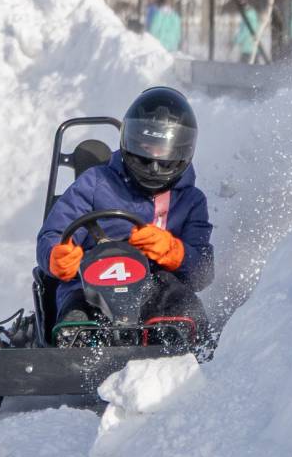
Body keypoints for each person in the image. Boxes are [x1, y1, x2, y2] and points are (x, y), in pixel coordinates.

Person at [36, 86, 214, 348]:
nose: (154, 164)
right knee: (77, 316)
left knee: (183, 310)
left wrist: (173, 252)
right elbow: (51, 235)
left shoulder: (190, 200)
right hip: (88, 286)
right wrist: (56, 256)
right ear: (129, 140)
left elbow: (203, 273)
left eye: (163, 154)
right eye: (146, 148)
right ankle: (81, 346)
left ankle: (173, 344)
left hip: (156, 289)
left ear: (183, 150)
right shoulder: (95, 183)